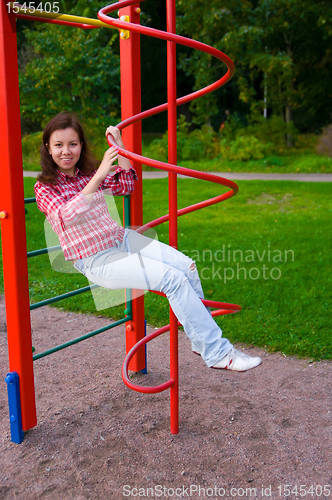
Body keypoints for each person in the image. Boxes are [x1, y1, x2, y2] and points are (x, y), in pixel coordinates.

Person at [34, 111, 262, 372]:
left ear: (81, 146)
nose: (66, 151)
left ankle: (201, 340)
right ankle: (219, 353)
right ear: (48, 149)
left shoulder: (88, 173)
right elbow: (67, 217)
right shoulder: (45, 187)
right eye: (59, 145)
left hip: (122, 239)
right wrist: (99, 177)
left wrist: (120, 150)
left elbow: (127, 184)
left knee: (186, 266)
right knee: (171, 279)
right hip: (97, 259)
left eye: (73, 144)